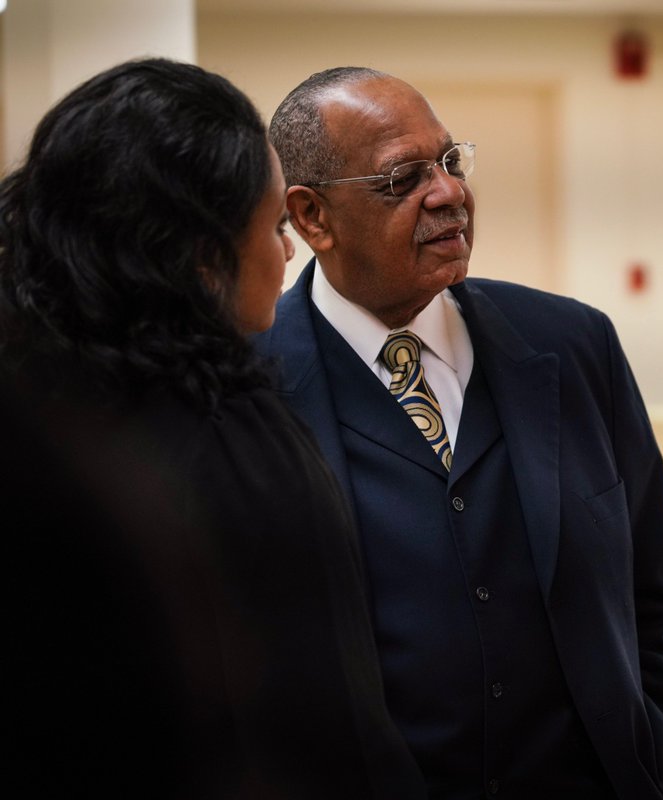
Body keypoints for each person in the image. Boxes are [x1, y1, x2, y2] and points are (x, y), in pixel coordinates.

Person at [257, 67, 663, 800]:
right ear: (312, 218)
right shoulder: (244, 386)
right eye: (402, 178)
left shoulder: (571, 344)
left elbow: (653, 593)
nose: (448, 193)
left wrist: (654, 744)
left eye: (450, 162)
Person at [0, 58, 423, 798]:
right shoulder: (239, 437)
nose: (288, 254)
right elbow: (332, 722)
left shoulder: (33, 419)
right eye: (274, 227)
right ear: (202, 261)